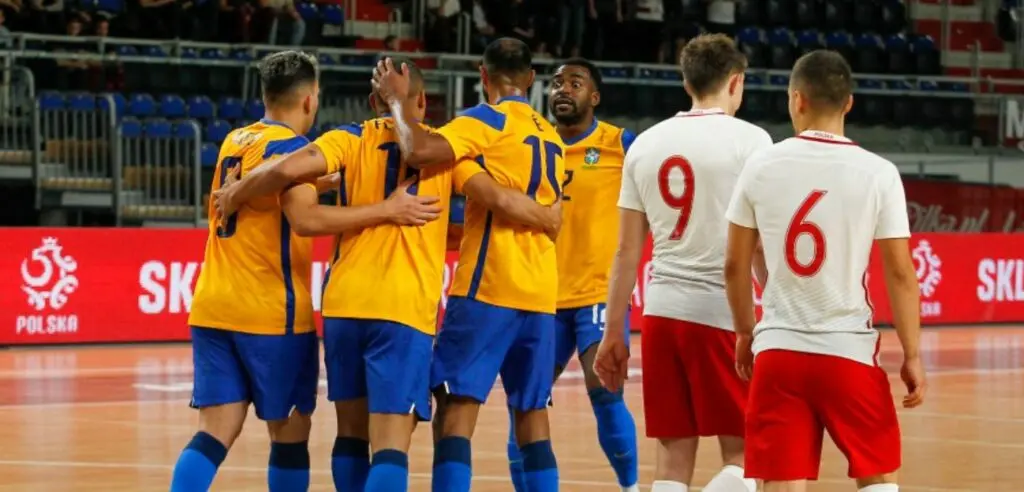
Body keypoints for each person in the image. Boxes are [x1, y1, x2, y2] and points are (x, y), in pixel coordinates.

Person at [213, 56, 560, 492]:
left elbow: (284, 168)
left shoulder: (347, 139)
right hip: (402, 308)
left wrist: (238, 189)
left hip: (344, 304)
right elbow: (497, 201)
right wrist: (549, 217)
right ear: (423, 101)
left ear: (371, 100)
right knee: (391, 446)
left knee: (350, 437)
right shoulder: (444, 151)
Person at [170, 51, 437, 492]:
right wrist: (386, 209)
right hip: (270, 310)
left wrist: (330, 181)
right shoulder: (291, 147)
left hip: (213, 306)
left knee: (213, 433)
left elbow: (270, 189)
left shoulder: (235, 140)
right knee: (289, 439)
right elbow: (307, 220)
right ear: (311, 101)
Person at [723, 50, 926, 492]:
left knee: (780, 484)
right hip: (848, 353)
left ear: (796, 99)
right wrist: (911, 354)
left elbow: (736, 264)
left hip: (779, 351)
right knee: (878, 480)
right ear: (848, 103)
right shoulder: (880, 173)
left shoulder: (760, 165)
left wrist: (744, 332)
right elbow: (901, 274)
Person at [373, 37, 564, 492]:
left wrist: (398, 101)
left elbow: (419, 150)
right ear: (532, 79)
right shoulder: (550, 134)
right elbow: (542, 211)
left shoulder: (483, 120)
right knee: (532, 417)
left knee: (456, 412)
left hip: (488, 287)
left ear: (482, 76)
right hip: (540, 293)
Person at [593, 33, 772, 492]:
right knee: (744, 455)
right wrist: (775, 308)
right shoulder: (752, 141)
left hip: (662, 314)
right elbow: (758, 245)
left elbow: (626, 251)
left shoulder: (646, 144)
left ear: (686, 81)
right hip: (722, 315)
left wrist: (614, 331)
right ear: (735, 82)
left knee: (673, 457)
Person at [505, 58, 639, 492]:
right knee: (525, 404)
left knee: (604, 392)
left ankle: (630, 487)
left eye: (575, 83)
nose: (563, 89)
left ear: (594, 97)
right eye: (557, 83)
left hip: (598, 293)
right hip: (540, 296)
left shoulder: (621, 144)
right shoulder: (533, 142)